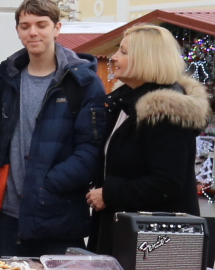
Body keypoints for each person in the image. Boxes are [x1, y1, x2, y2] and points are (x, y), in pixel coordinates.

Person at [0, 0, 107, 257]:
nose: (33, 32)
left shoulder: (83, 82)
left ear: (57, 28)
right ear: (18, 31)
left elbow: (91, 151)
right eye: (25, 25)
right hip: (8, 217)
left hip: (57, 215)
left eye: (41, 24)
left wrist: (47, 184)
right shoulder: (8, 77)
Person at [86, 24, 208, 256]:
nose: (114, 57)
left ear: (146, 59)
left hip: (152, 246)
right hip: (127, 231)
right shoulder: (125, 103)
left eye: (123, 52)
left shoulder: (165, 111)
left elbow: (167, 183)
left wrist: (109, 194)